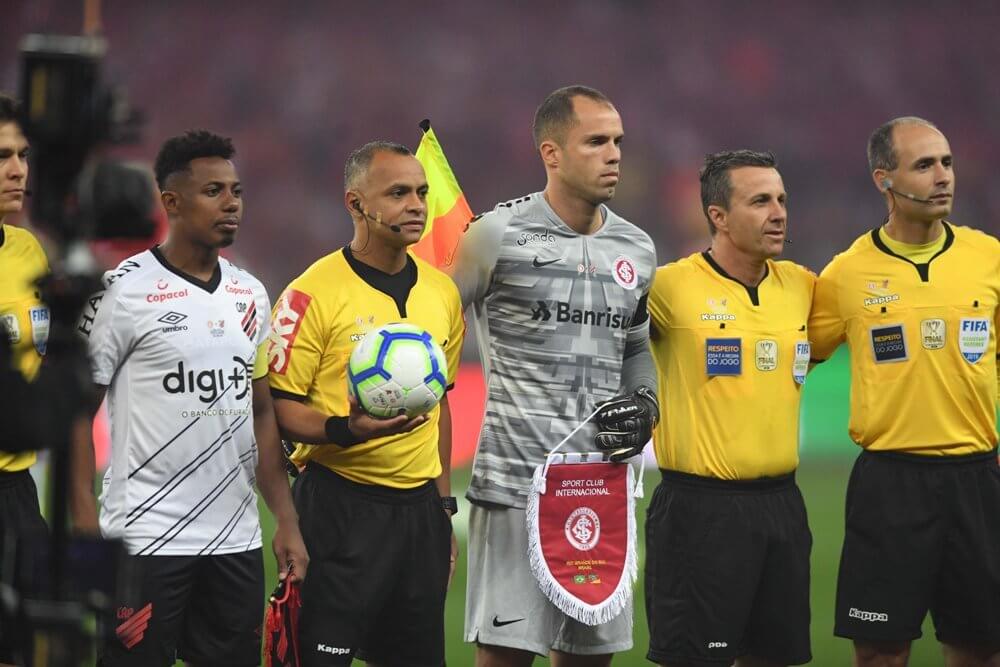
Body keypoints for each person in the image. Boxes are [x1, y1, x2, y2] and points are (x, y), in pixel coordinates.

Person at [76, 130, 308, 667]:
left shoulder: (250, 293)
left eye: (237, 190)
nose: (231, 203)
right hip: (145, 541)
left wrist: (286, 522)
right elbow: (75, 414)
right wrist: (86, 529)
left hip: (235, 540)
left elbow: (261, 411)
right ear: (171, 202)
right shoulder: (122, 292)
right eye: (213, 191)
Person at [450, 85, 658, 667]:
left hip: (600, 486)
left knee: (590, 661)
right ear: (552, 153)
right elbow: (435, 325)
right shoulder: (495, 236)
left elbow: (638, 348)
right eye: (596, 141)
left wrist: (646, 403)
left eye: (618, 140)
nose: (614, 153)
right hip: (518, 484)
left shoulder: (636, 248)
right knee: (506, 656)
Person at [810, 117, 1000, 667]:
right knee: (880, 653)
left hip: (976, 478)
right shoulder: (846, 274)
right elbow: (805, 353)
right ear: (883, 180)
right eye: (923, 165)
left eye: (947, 162)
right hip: (889, 484)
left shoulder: (987, 258)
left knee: (980, 648)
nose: (943, 176)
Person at [267, 140, 464, 667]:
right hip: (338, 508)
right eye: (398, 193)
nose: (417, 204)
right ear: (356, 205)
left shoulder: (443, 294)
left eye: (421, 192)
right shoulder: (309, 293)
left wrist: (443, 510)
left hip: (420, 514)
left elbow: (440, 410)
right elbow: (278, 410)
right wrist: (347, 429)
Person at [645, 150, 813, 667]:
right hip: (700, 511)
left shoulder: (805, 288)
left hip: (783, 507)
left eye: (781, 199)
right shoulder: (668, 287)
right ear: (717, 216)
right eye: (760, 201)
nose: (779, 212)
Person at [0, 92, 52, 666]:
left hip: (18, 494)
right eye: (1, 156)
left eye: (23, 154)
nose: (18, 170)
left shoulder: (28, 250)